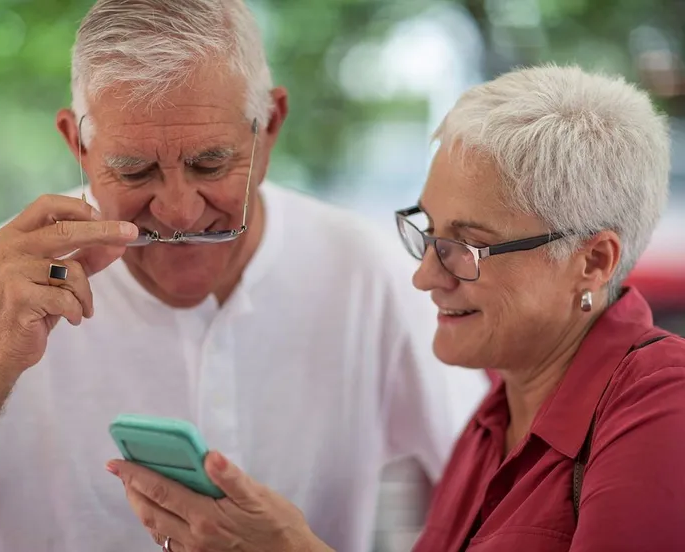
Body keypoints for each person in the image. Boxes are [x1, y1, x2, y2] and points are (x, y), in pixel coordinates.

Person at [0, 1, 488, 551]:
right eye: (133, 172)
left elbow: (497, 496)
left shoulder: (362, 270)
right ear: (77, 144)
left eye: (211, 163)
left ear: (269, 129)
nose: (179, 210)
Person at [107, 64, 685, 552]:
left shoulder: (663, 410)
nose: (425, 274)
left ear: (593, 261)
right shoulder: (492, 423)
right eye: (428, 233)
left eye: (466, 247)